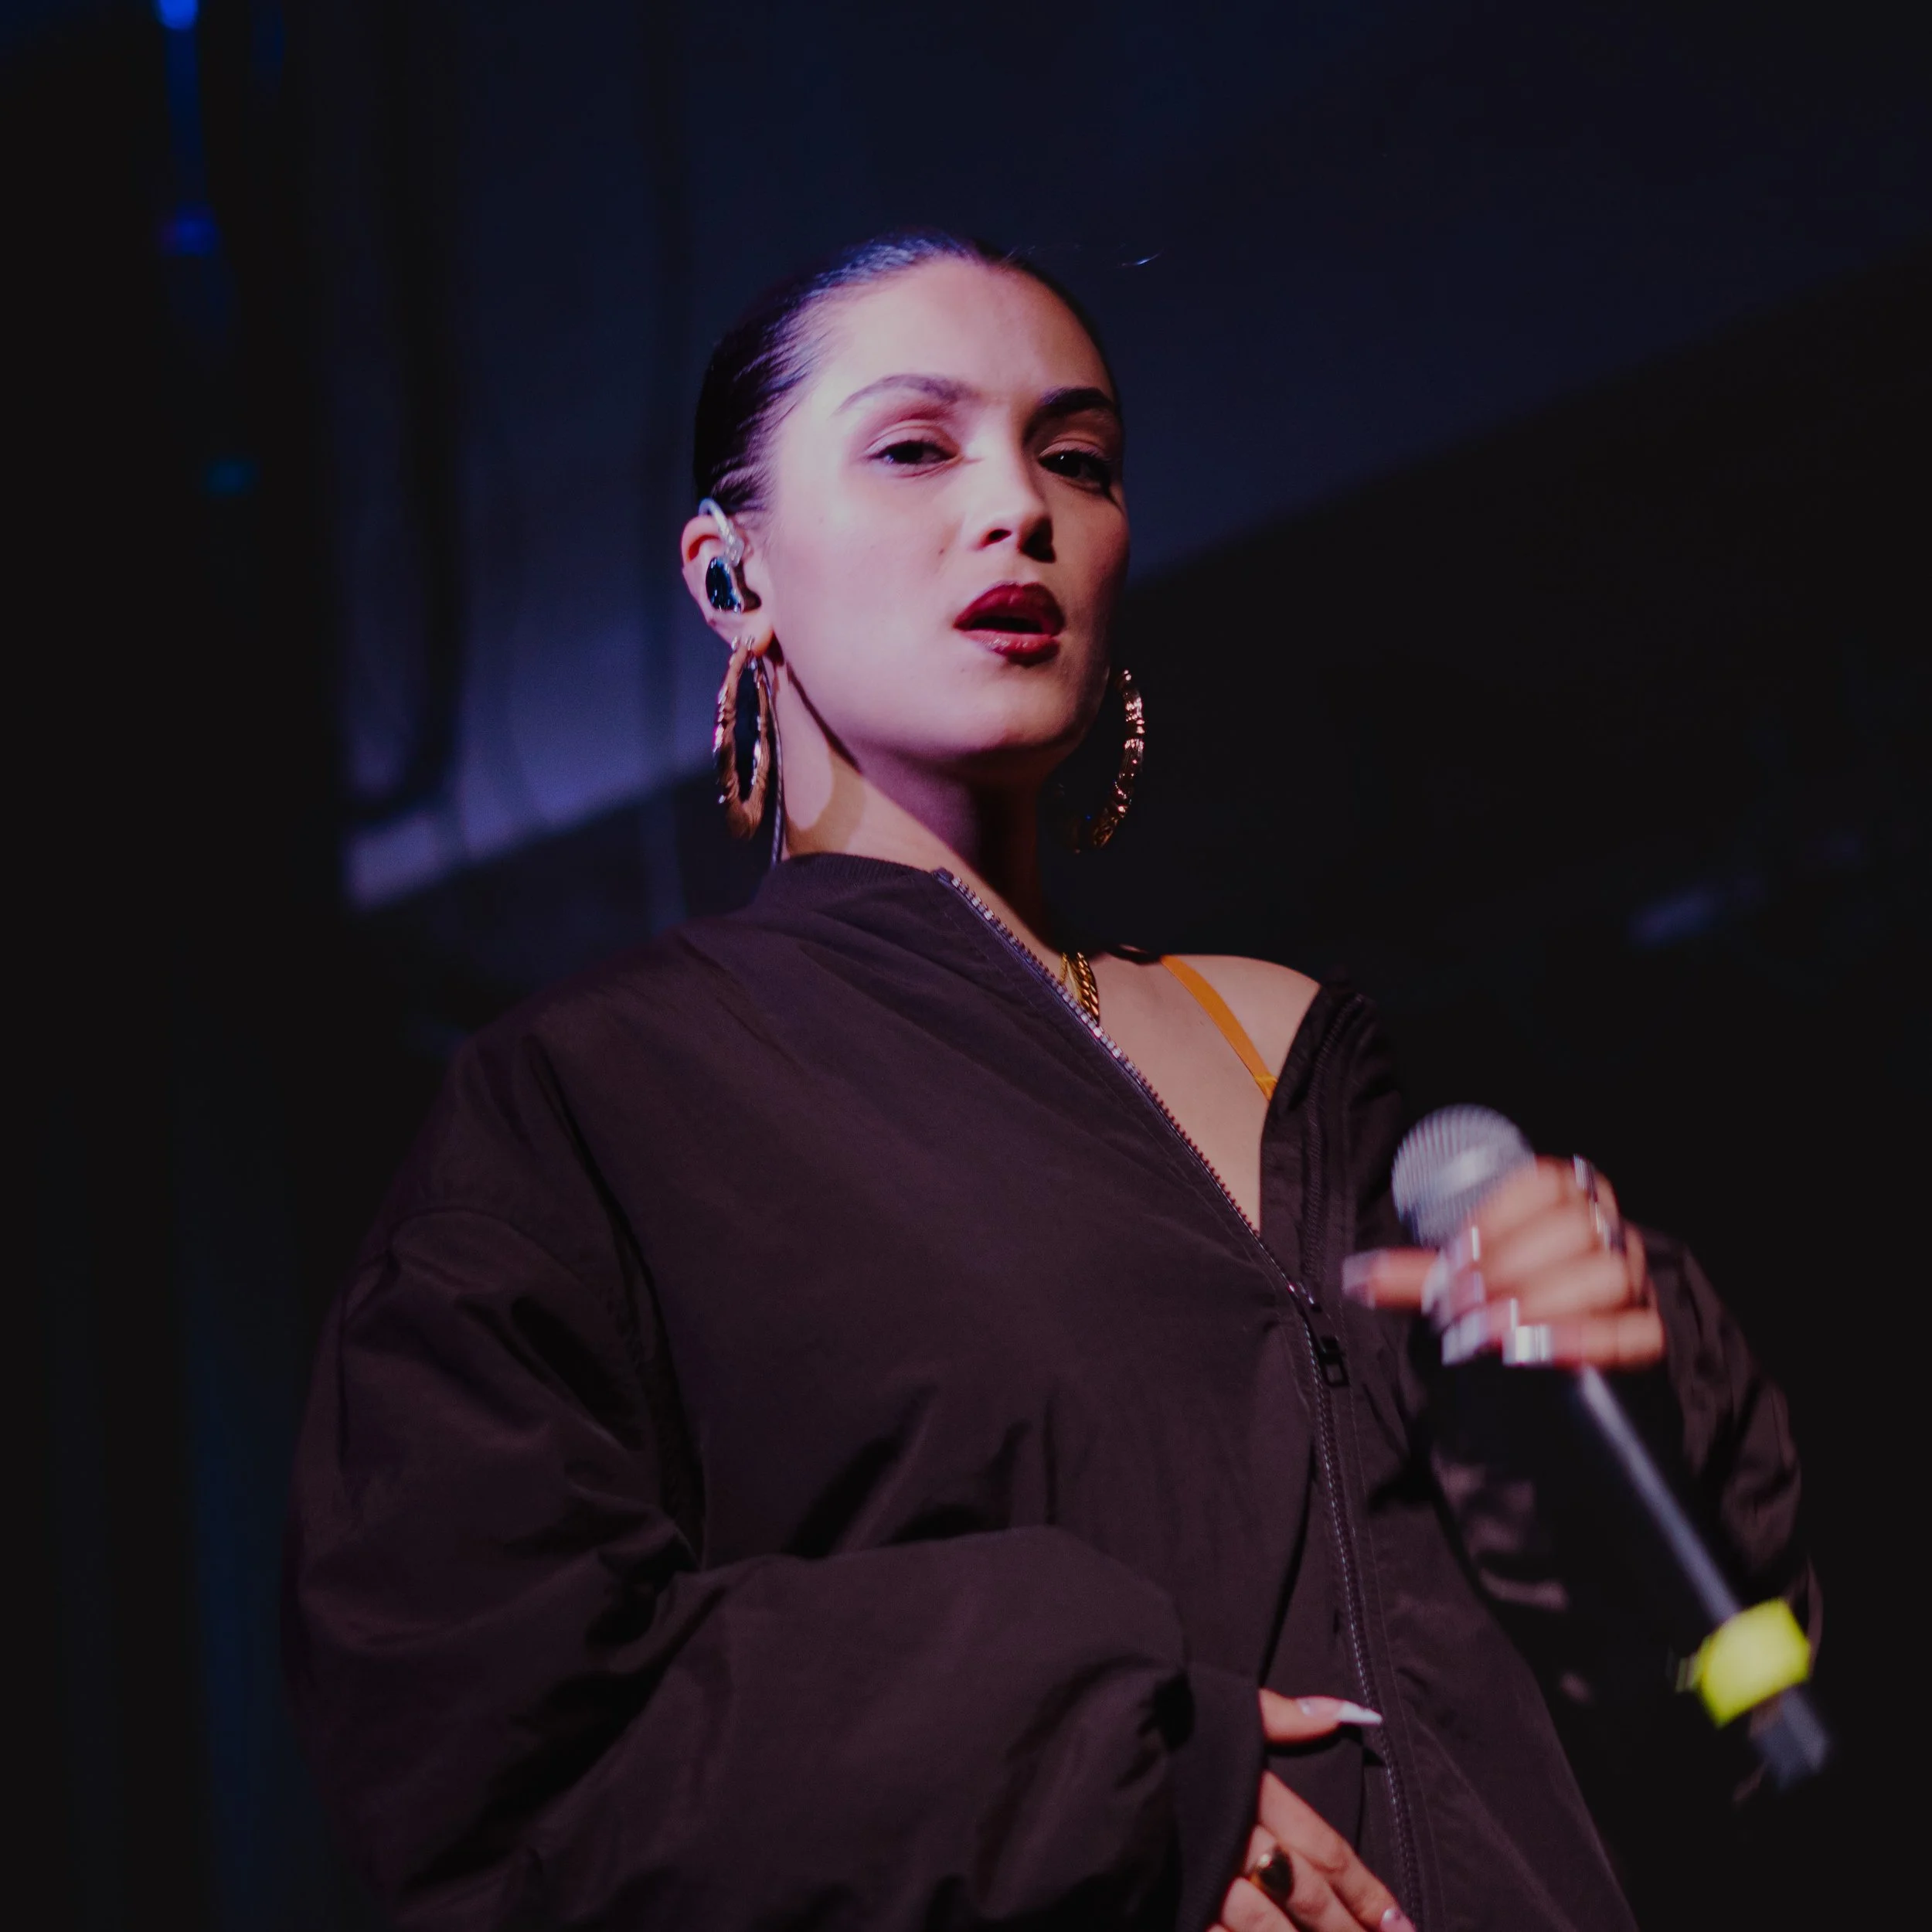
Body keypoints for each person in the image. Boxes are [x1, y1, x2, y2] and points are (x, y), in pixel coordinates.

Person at [284, 231, 1815, 1932]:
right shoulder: (608, 1098)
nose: (1013, 507)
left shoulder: (1297, 1048)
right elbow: (486, 1717)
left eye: (1072, 458)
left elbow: (1677, 1689)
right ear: (732, 578)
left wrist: (1619, 1354)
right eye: (914, 447)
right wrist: (1098, 1770)